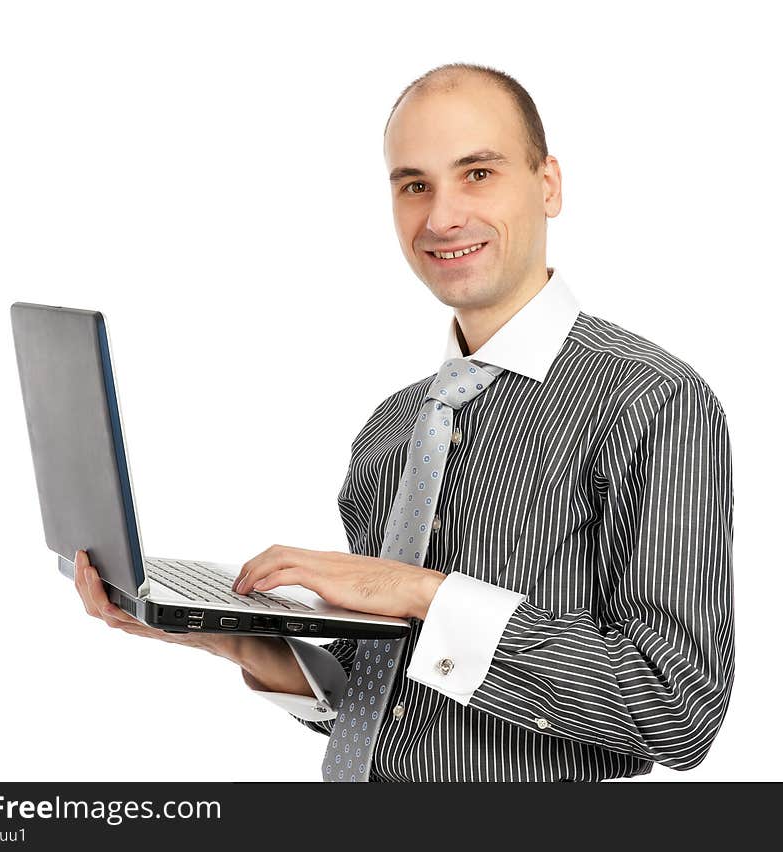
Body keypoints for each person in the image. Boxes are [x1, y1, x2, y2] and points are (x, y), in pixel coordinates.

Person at [73, 62, 735, 782]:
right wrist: (235, 641)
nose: (442, 216)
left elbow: (678, 710)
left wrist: (424, 593)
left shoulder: (653, 399)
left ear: (548, 184)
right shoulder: (393, 429)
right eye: (414, 185)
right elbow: (387, 707)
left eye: (477, 173)